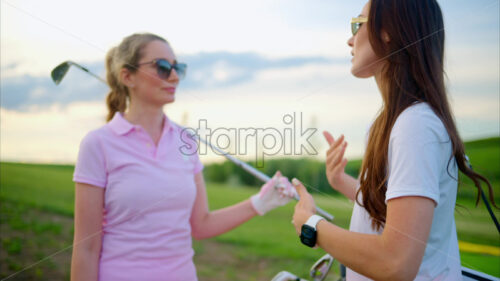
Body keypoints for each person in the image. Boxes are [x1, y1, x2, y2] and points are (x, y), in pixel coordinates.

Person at [291, 1, 497, 280]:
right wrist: (340, 181)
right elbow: (394, 212)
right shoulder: (388, 124)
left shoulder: (415, 125)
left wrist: (311, 224)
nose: (350, 39)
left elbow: (396, 262)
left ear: (387, 31)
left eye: (357, 24)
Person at [70, 33, 296, 281]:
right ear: (127, 76)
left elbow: (201, 224)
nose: (175, 76)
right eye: (163, 67)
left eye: (178, 68)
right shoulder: (98, 144)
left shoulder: (185, 141)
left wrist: (261, 202)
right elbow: (86, 249)